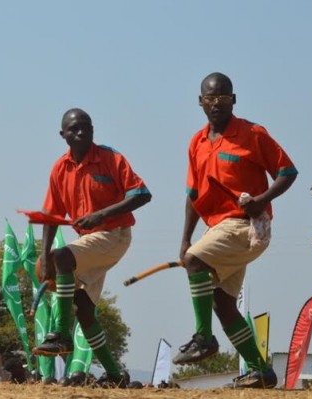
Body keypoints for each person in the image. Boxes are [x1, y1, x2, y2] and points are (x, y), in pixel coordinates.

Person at [173, 72, 297, 389]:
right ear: (200, 102)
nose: (217, 103)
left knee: (195, 262)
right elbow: (193, 195)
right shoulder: (197, 143)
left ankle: (204, 338)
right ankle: (260, 372)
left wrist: (262, 200)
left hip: (249, 226)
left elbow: (287, 171)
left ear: (234, 100)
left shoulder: (253, 134)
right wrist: (186, 238)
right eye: (210, 98)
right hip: (221, 228)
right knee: (223, 303)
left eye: (224, 97)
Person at [33, 108, 151, 389]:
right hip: (90, 243)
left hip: (114, 235)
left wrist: (102, 215)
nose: (81, 132)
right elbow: (50, 217)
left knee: (63, 256)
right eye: (74, 129)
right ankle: (114, 375)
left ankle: (60, 333)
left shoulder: (110, 158)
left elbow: (142, 194)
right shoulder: (60, 168)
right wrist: (44, 257)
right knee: (84, 310)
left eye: (86, 127)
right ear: (63, 135)